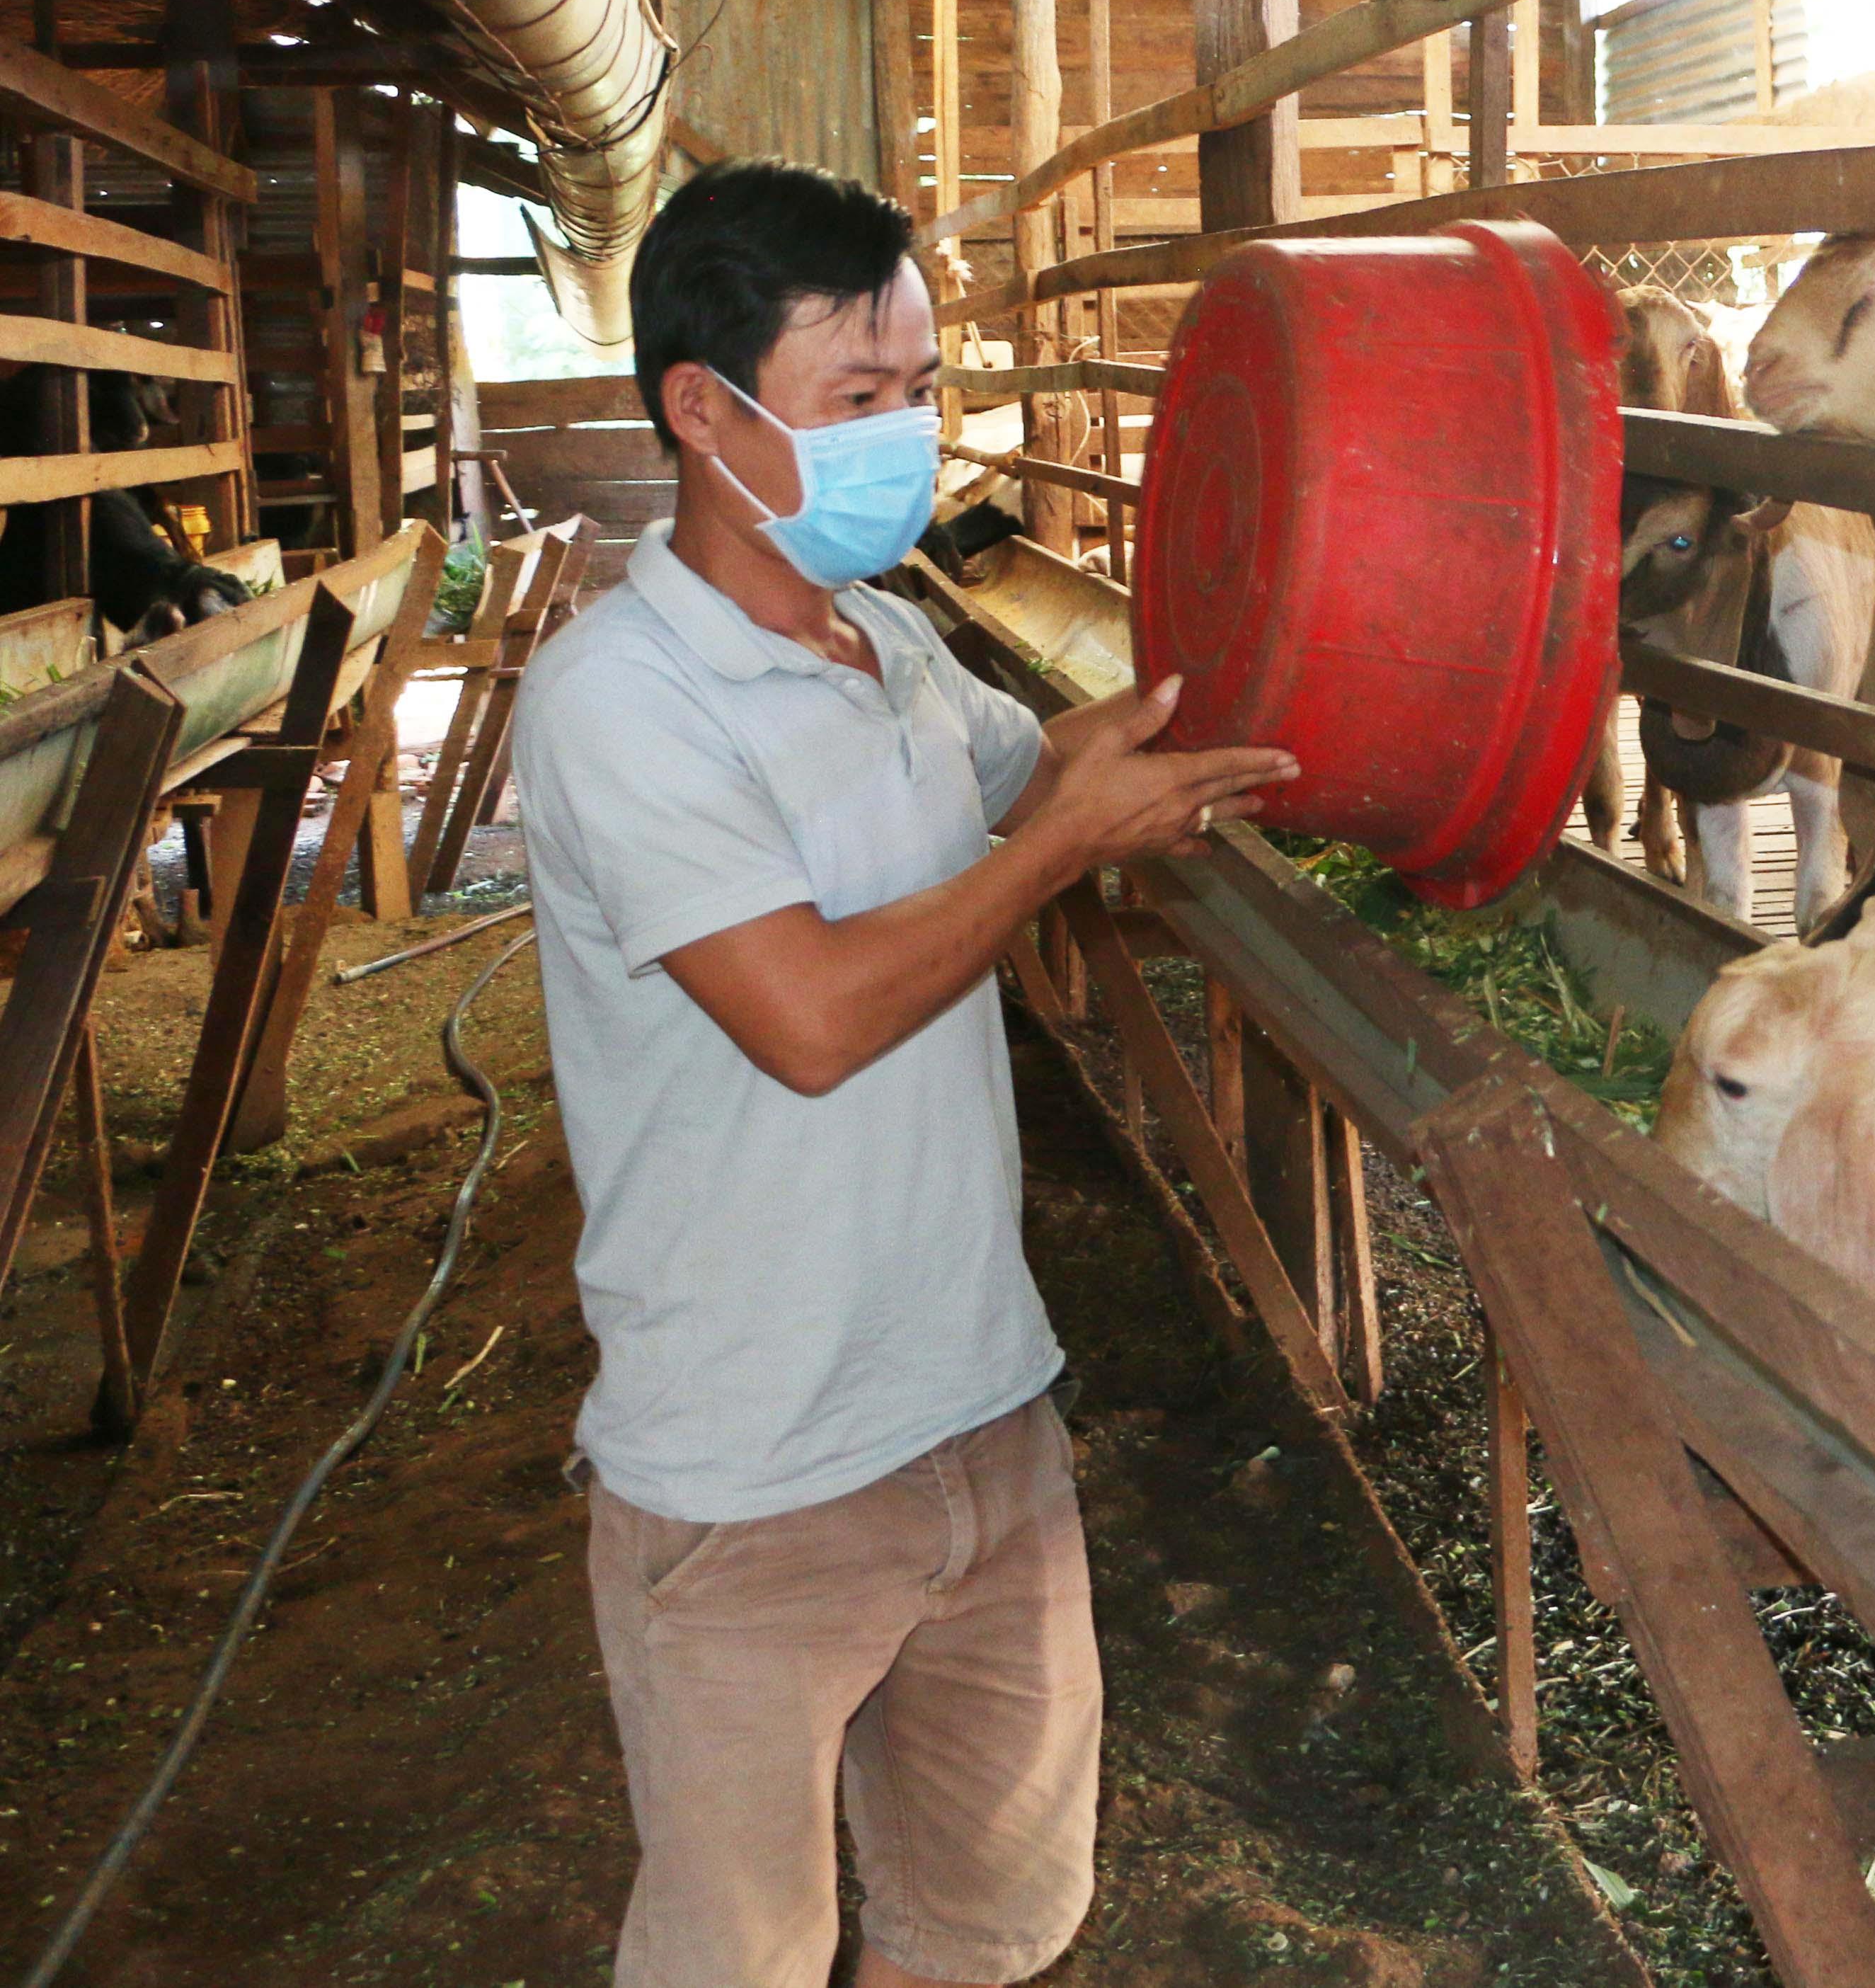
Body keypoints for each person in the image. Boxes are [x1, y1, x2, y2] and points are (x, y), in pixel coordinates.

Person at [515, 159, 1295, 1988]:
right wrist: (1056, 848)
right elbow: (806, 1017)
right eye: (857, 402)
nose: (912, 437)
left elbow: (1029, 776)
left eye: (925, 389)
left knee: (989, 1925)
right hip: (751, 1468)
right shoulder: (620, 700)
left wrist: (1226, 685)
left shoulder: (889, 643)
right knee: (744, 1956)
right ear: (702, 413)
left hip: (977, 1408)